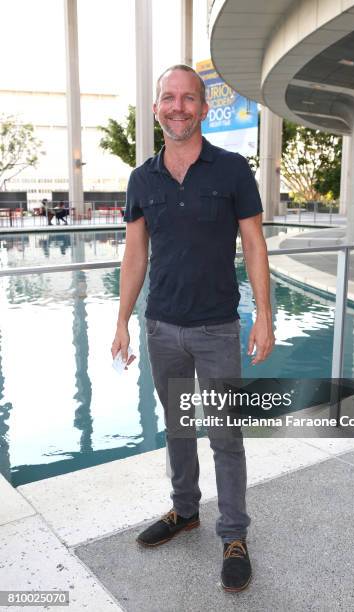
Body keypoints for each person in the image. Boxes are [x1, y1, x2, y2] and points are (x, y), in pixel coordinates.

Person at [111, 64, 274, 593]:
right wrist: (122, 323)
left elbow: (254, 245)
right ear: (156, 108)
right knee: (178, 428)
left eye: (187, 98)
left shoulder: (231, 171)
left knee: (226, 435)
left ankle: (234, 535)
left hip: (217, 330)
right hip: (162, 328)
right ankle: (185, 512)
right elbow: (135, 256)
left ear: (204, 109)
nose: (177, 106)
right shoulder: (142, 179)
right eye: (167, 98)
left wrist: (266, 316)